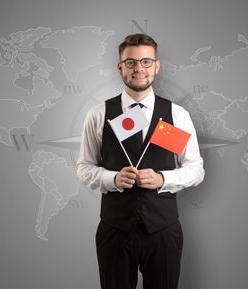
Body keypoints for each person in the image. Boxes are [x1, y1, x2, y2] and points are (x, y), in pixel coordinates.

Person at [77, 33, 204, 289]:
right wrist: (111, 178)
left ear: (156, 66)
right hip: (114, 230)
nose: (139, 69)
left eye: (146, 62)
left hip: (163, 231)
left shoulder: (175, 116)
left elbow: (195, 169)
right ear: (120, 67)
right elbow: (84, 167)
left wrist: (162, 179)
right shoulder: (99, 114)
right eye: (131, 62)